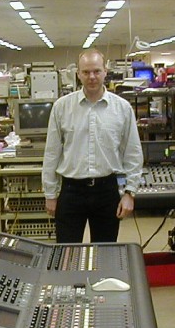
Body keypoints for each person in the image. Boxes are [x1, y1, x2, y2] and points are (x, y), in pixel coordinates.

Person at [42, 49, 143, 243]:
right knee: (66, 257)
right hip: (71, 191)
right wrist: (50, 194)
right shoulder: (62, 107)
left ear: (105, 71)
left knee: (105, 256)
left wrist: (130, 193)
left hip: (107, 191)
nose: (92, 77)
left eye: (97, 71)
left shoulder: (122, 108)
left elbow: (133, 153)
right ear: (78, 74)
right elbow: (52, 154)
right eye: (86, 72)